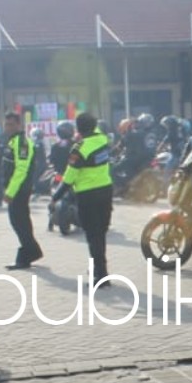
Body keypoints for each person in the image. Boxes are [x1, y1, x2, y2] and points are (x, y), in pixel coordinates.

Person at [64, 113, 114, 282]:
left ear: (78, 129)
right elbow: (96, 129)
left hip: (88, 196)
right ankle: (101, 270)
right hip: (106, 191)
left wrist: (56, 196)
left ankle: (100, 274)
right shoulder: (103, 139)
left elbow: (69, 177)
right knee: (101, 233)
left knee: (93, 236)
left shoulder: (79, 149)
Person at [0, 110, 44, 270]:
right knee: (19, 221)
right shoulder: (11, 141)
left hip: (20, 189)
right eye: (6, 124)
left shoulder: (22, 143)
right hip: (16, 188)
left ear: (19, 125)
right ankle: (30, 251)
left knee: (20, 221)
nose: (8, 127)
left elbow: (21, 170)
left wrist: (10, 192)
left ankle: (29, 253)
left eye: (11, 124)